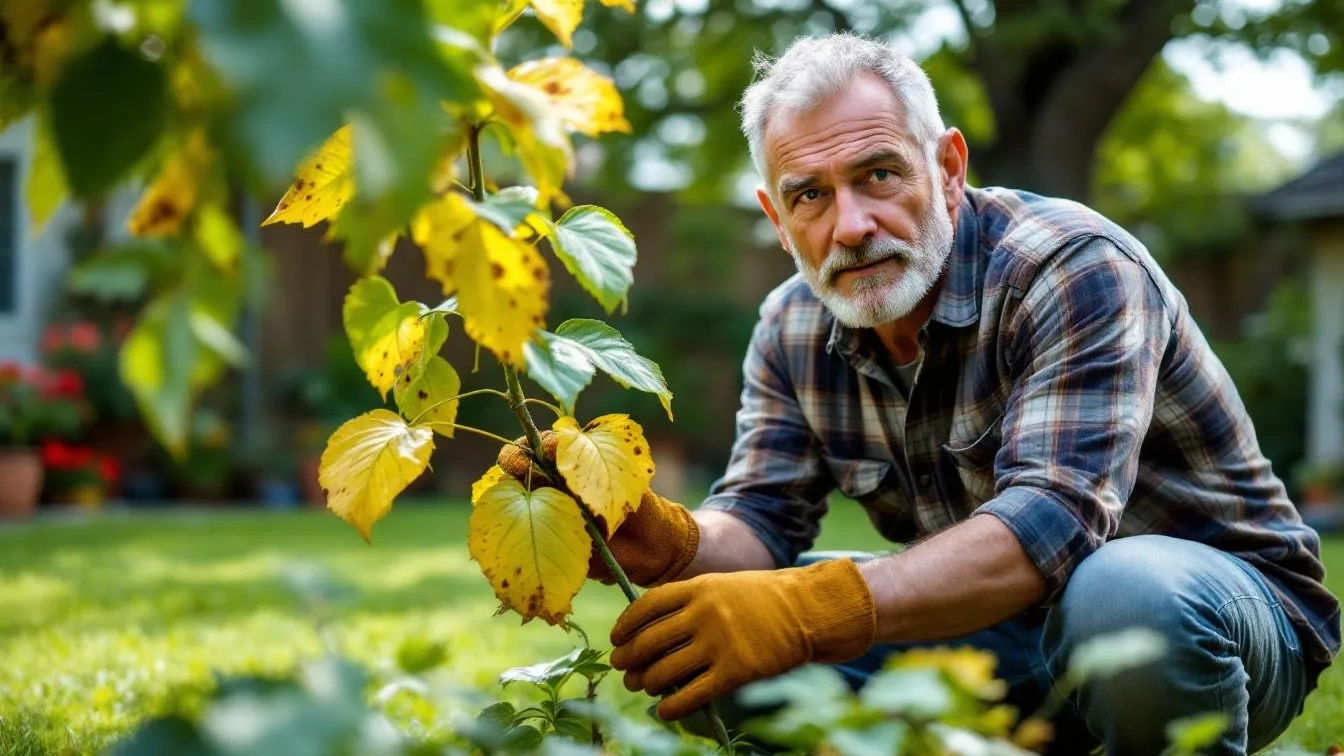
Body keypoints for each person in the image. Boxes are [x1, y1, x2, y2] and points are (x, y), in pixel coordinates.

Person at [497, 33, 1339, 755]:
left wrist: (805, 609)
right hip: (1003, 636)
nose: (851, 224)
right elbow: (758, 519)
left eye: (879, 174)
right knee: (731, 655)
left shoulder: (1072, 267)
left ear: (947, 167)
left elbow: (1049, 527)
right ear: (776, 215)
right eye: (810, 195)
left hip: (1214, 621)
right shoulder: (792, 326)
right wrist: (661, 533)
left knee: (1119, 593)